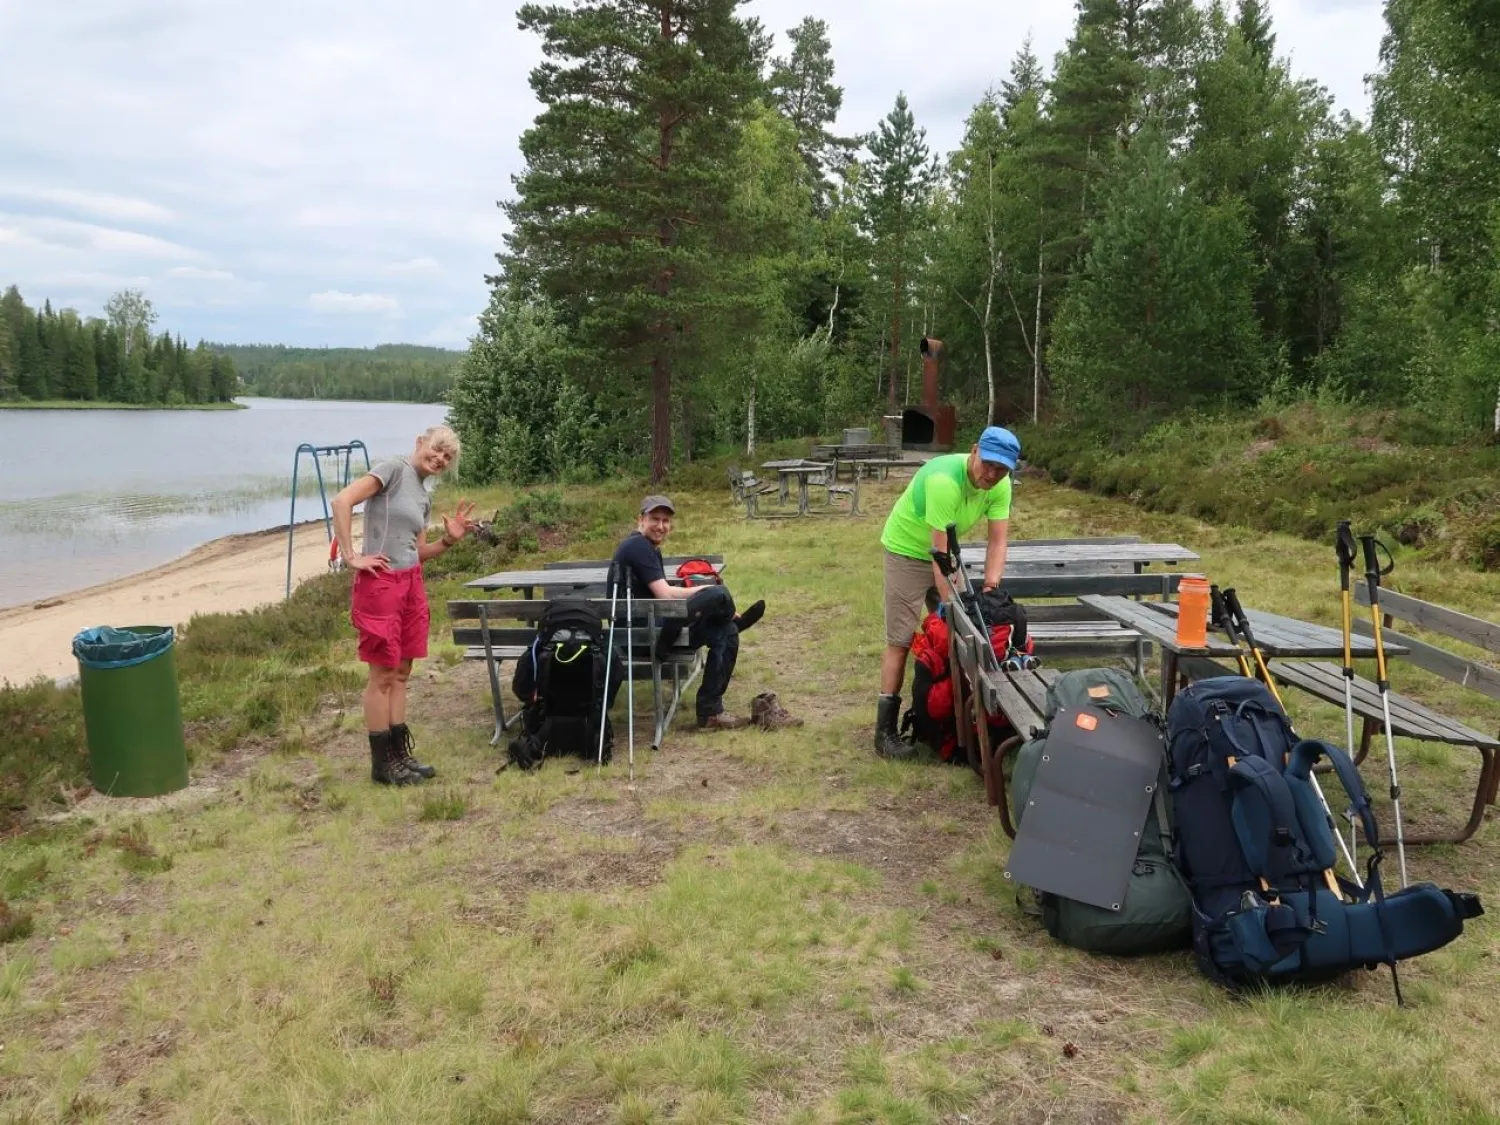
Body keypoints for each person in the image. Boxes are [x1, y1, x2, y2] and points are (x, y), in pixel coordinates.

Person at [331, 424, 477, 785]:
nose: (440, 458)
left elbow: (417, 551)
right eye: (436, 449)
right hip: (380, 584)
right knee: (381, 674)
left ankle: (399, 755)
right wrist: (352, 556)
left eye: (448, 456)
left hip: (410, 583)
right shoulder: (393, 469)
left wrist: (448, 541)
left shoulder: (423, 495)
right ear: (420, 443)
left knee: (401, 672)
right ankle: (382, 765)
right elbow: (342, 501)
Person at [873, 426, 1020, 759]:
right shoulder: (944, 481)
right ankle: (884, 733)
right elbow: (939, 559)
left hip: (946, 555)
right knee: (901, 639)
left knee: (968, 633)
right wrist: (953, 608)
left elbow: (998, 541)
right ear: (974, 451)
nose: (993, 474)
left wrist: (990, 589)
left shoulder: (1000, 486)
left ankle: (953, 719)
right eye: (989, 464)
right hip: (906, 551)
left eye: (1002, 469)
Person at [611, 495, 765, 731]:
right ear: (640, 519)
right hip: (642, 637)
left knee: (727, 631)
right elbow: (665, 595)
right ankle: (721, 616)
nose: (661, 526)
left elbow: (662, 592)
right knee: (719, 594)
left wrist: (702, 591)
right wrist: (708, 590)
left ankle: (710, 713)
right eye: (655, 519)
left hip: (650, 628)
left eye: (666, 521)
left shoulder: (646, 547)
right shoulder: (637, 546)